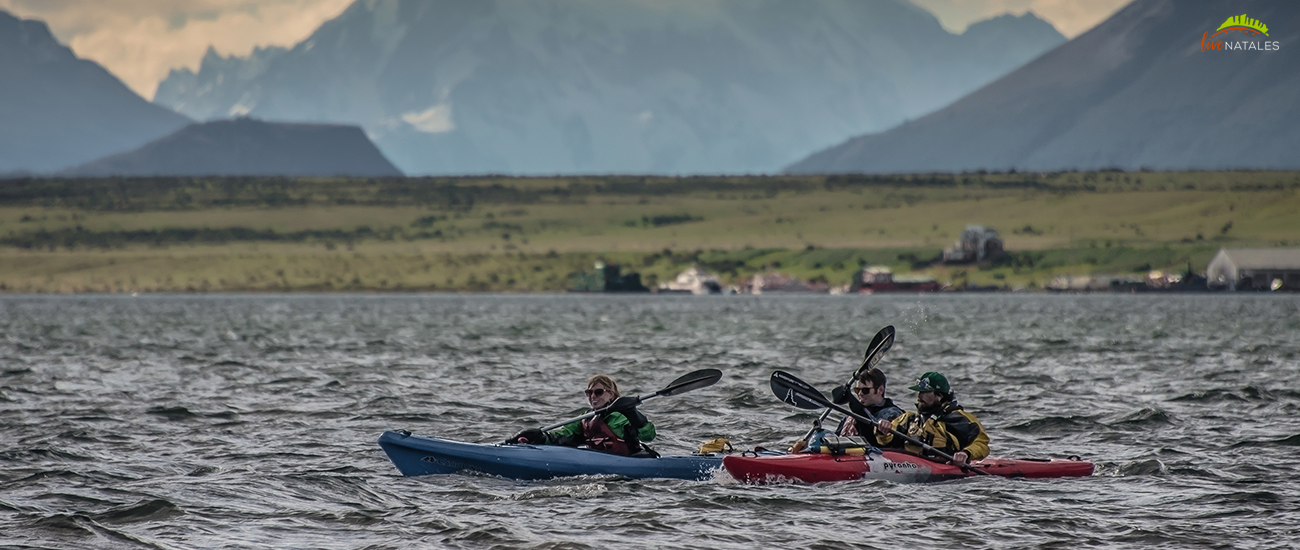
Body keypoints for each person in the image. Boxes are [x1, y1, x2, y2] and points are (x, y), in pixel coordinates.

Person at [508, 374, 656, 456]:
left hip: (628, 462)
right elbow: (565, 434)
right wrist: (540, 437)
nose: (593, 396)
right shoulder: (585, 418)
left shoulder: (621, 416)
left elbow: (648, 436)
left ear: (611, 394)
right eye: (589, 392)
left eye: (598, 392)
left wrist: (633, 413)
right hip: (598, 463)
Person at [874, 371, 989, 467]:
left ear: (939, 396)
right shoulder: (908, 419)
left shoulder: (957, 419)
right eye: (919, 392)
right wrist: (882, 430)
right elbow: (884, 441)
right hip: (909, 470)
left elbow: (982, 443)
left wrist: (966, 453)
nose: (919, 396)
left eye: (924, 392)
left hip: (944, 474)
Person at [836, 367, 905, 437]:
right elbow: (836, 435)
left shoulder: (893, 413)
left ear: (880, 390)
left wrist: (887, 425)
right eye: (857, 390)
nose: (860, 394)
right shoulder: (850, 415)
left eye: (865, 390)